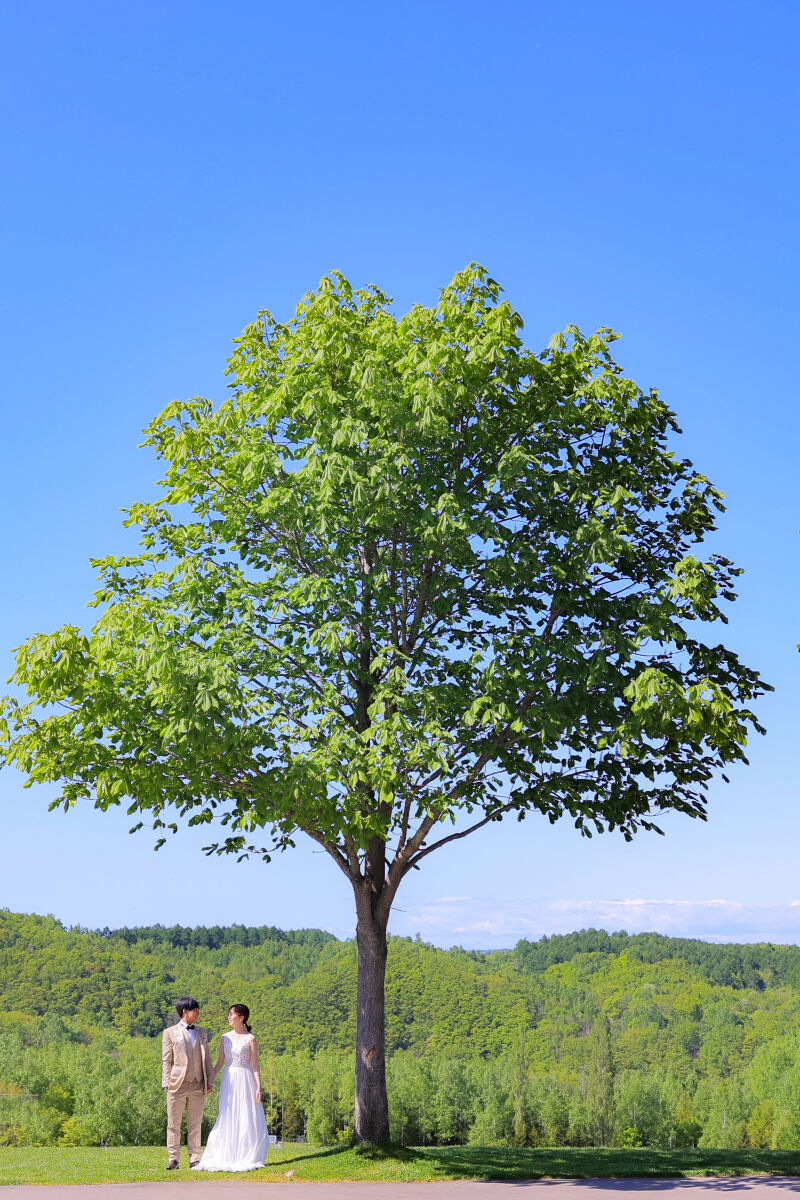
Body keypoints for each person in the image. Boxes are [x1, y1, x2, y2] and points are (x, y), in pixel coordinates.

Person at [194, 1003, 269, 1172]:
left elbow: (255, 1065)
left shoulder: (251, 1038)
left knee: (245, 1114)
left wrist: (258, 1086)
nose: (228, 1017)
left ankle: (244, 1153)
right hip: (229, 1079)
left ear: (241, 1017)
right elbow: (220, 1062)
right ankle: (226, 1153)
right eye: (228, 1014)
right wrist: (209, 1080)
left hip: (245, 1078)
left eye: (231, 1014)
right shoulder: (224, 1038)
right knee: (227, 1113)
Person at [161, 996, 215, 1170]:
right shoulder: (169, 1033)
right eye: (195, 1009)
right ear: (185, 1011)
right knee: (173, 1123)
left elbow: (207, 1059)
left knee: (195, 1123)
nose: (198, 1012)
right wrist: (166, 1083)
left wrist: (210, 1080)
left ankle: (195, 1159)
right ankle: (173, 1158)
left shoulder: (201, 1032)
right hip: (176, 1084)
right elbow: (166, 1060)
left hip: (198, 1084)